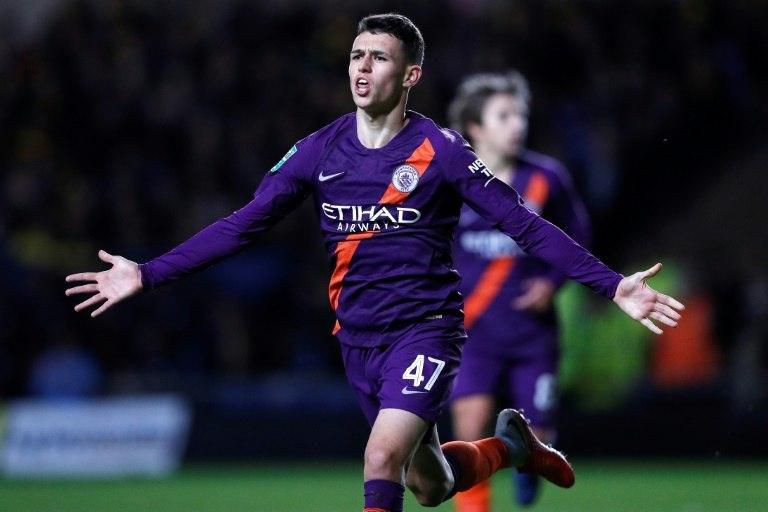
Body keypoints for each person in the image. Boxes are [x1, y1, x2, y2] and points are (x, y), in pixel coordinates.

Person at [65, 13, 684, 512]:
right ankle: (509, 447)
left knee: (378, 462)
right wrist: (146, 273)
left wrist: (611, 286)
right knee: (431, 485)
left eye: (378, 57)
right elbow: (242, 225)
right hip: (358, 339)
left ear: (411, 74)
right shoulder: (317, 150)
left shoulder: (440, 151)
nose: (362, 67)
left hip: (427, 330)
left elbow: (523, 223)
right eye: (356, 56)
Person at [447, 71, 591, 510]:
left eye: (521, 115)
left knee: (539, 437)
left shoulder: (547, 178)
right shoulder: (453, 182)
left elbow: (577, 236)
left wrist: (552, 283)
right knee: (468, 434)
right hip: (473, 332)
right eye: (504, 115)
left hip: (533, 332)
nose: (517, 125)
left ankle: (530, 470)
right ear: (476, 127)